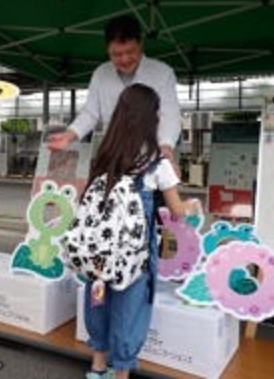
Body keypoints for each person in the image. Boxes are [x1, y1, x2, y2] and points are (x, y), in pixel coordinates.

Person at [81, 84, 200, 379]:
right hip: (135, 256)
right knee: (129, 308)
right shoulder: (158, 164)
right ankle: (121, 372)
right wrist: (192, 205)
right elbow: (176, 210)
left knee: (98, 298)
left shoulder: (105, 156)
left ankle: (97, 366)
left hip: (99, 252)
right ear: (151, 116)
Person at [48, 14, 181, 172]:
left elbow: (170, 114)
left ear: (141, 44)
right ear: (108, 50)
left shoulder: (162, 73)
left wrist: (166, 145)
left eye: (130, 52)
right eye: (116, 54)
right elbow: (90, 113)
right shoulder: (101, 74)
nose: (124, 59)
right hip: (113, 158)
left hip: (152, 157)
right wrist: (70, 135)